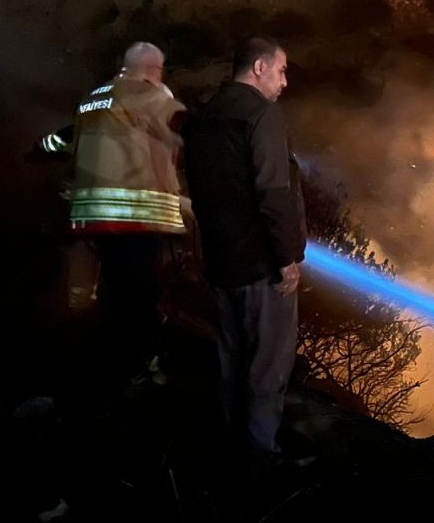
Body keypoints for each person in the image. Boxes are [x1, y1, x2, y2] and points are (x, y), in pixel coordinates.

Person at [183, 37, 306, 457]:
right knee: (268, 367)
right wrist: (286, 258)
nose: (284, 82)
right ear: (259, 68)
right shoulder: (261, 115)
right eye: (281, 71)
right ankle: (258, 459)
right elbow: (273, 193)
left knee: (231, 360)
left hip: (221, 261)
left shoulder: (203, 116)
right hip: (261, 265)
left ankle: (229, 447)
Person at [63, 41, 186, 385]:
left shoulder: (93, 97)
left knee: (113, 288)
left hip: (93, 214)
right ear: (154, 69)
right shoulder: (146, 94)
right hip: (133, 215)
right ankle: (143, 366)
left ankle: (111, 361)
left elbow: (66, 140)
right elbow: (185, 127)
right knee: (141, 292)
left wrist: (38, 149)